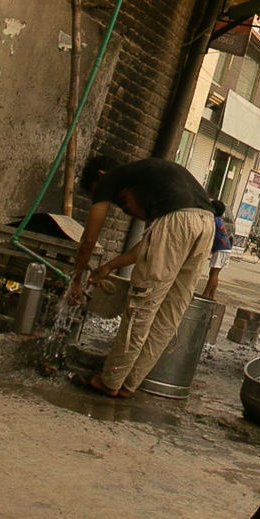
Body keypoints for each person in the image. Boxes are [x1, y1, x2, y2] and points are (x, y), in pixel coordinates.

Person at [67, 155, 216, 398]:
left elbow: (89, 239)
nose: (121, 207)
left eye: (111, 199)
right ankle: (128, 383)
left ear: (101, 177)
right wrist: (109, 266)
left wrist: (76, 278)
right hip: (206, 224)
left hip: (178, 222)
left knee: (140, 309)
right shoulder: (157, 181)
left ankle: (110, 380)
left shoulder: (110, 178)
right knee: (169, 313)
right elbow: (154, 243)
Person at [203, 197, 232, 299]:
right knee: (215, 273)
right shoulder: (220, 220)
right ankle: (212, 295)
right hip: (226, 247)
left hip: (221, 248)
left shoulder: (213, 220)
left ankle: (205, 294)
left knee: (213, 273)